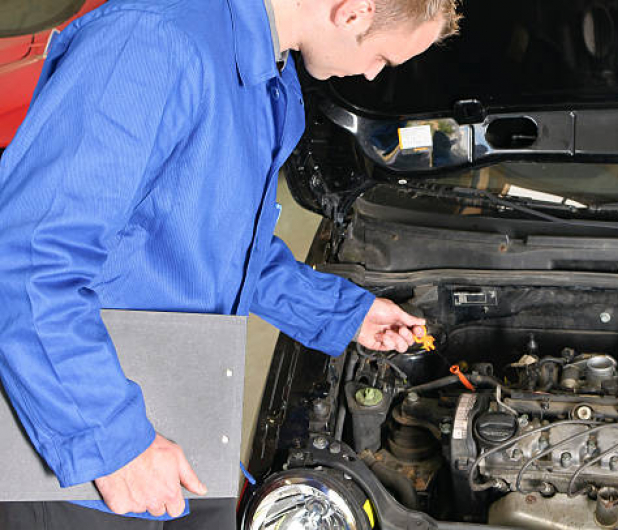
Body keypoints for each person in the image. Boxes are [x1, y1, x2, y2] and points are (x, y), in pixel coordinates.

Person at [0, 0, 461, 527]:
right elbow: (28, 259)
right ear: (354, 12)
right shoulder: (152, 42)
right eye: (382, 57)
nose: (373, 75)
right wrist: (115, 444)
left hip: (177, 420)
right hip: (84, 458)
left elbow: (226, 244)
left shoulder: (272, 79)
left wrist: (342, 313)